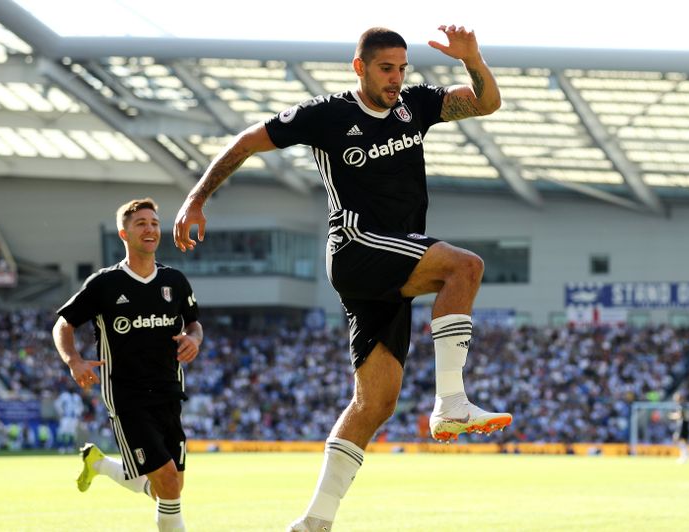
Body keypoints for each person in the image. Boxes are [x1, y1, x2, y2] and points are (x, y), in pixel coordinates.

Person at [173, 25, 512, 531]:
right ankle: (452, 402)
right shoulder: (327, 115)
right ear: (360, 67)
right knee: (465, 266)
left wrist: (473, 59)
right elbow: (247, 140)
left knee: (375, 402)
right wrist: (196, 198)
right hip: (356, 246)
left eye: (402, 68)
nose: (396, 78)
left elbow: (485, 104)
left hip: (393, 262)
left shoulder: (414, 106)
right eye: (385, 68)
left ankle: (313, 521)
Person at [53, 198, 202, 532]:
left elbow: (194, 323)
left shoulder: (175, 281)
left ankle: (102, 466)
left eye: (153, 223)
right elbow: (63, 324)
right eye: (140, 224)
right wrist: (74, 360)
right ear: (124, 233)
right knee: (165, 480)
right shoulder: (104, 284)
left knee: (171, 487)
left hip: (169, 391)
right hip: (127, 395)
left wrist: (195, 339)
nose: (149, 229)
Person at [54, 386, 84, 453]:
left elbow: (81, 406)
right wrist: (61, 412)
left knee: (72, 433)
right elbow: (57, 404)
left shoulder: (77, 397)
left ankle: (70, 447)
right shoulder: (64, 396)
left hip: (74, 417)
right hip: (66, 416)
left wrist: (78, 413)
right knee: (63, 432)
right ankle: (62, 447)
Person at [669, 391, 689, 464]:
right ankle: (686, 454)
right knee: (682, 441)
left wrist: (672, 416)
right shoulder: (685, 405)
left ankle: (684, 455)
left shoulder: (681, 406)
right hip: (686, 424)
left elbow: (680, 415)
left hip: (682, 424)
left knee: (677, 439)